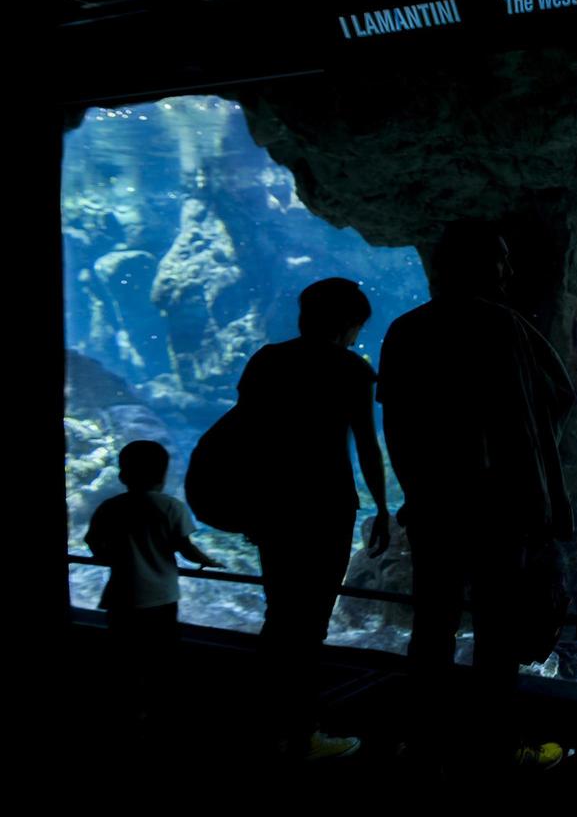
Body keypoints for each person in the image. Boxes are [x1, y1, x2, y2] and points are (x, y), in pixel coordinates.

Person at [377, 220, 576, 774]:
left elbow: (396, 423)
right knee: (497, 632)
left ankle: (421, 741)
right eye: (500, 259)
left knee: (431, 628)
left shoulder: (404, 330)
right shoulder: (503, 327)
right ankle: (496, 745)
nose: (510, 270)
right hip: (499, 511)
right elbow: (552, 400)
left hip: (434, 507)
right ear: (478, 266)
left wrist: (419, 488)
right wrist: (543, 505)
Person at [238, 277, 390, 761]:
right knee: (311, 624)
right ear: (348, 325)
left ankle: (265, 727)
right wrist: (383, 508)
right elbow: (367, 445)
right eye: (356, 329)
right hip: (325, 507)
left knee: (280, 615)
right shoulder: (350, 369)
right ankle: (302, 734)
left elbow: (247, 436)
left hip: (275, 503)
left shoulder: (266, 362)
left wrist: (249, 501)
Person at [85, 439, 221, 723]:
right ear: (163, 476)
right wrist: (208, 561)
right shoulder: (171, 507)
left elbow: (93, 542)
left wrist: (112, 555)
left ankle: (127, 709)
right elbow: (185, 547)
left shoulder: (110, 507)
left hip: (122, 596)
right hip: (161, 597)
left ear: (123, 475)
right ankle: (159, 710)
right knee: (161, 655)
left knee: (123, 655)